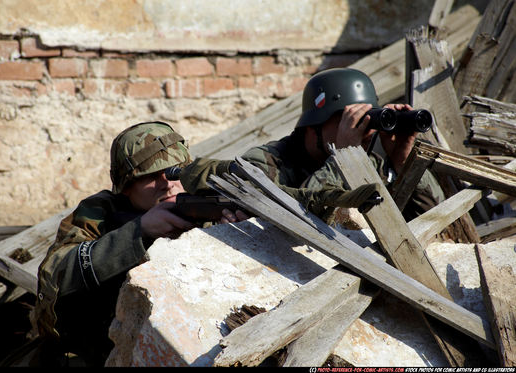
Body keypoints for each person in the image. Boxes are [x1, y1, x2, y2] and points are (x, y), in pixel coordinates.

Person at [32, 121, 245, 367]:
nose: (167, 183)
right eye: (152, 176)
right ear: (125, 188)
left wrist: (232, 231)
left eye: (175, 171)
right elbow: (54, 276)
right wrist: (139, 232)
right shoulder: (100, 213)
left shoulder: (204, 204)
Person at [179, 68, 444, 222]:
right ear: (313, 124)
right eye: (349, 120)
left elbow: (436, 220)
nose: (360, 131)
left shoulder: (373, 163)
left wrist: (403, 160)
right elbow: (305, 219)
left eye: (366, 119)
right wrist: (343, 158)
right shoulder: (266, 163)